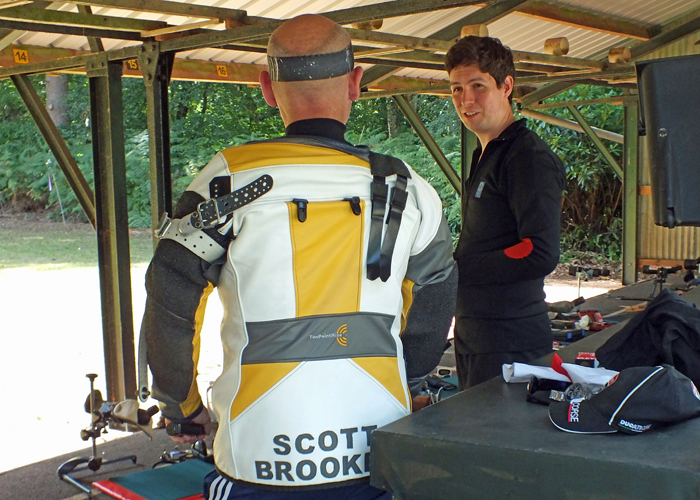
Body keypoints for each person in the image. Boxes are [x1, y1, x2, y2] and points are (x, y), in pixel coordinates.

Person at [141, 14, 457, 500]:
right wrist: (409, 378)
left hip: (256, 456)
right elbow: (435, 299)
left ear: (268, 87)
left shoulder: (226, 178)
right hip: (379, 454)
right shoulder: (408, 187)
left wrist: (181, 406)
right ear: (356, 83)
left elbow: (170, 293)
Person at [445, 36, 566, 390]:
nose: (466, 99)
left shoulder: (526, 157)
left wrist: (454, 269)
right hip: (476, 334)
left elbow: (539, 251)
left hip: (511, 340)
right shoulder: (486, 153)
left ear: (506, 86)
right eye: (456, 88)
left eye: (477, 86)